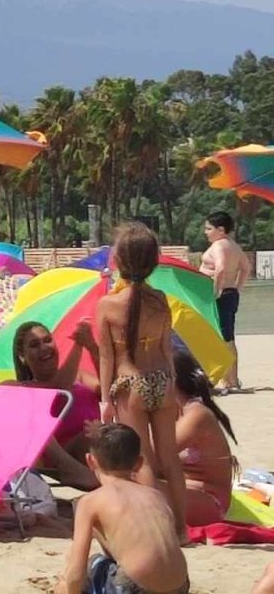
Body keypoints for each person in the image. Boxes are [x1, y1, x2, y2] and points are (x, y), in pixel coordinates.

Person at [94, 223, 187, 536]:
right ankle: (182, 528)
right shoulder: (160, 300)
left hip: (130, 384)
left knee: (142, 459)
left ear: (117, 260)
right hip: (161, 380)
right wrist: (173, 388)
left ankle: (157, 527)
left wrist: (105, 400)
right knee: (170, 459)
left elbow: (106, 357)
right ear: (154, 261)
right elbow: (166, 348)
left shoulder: (107, 305)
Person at [56, 423, 189, 594]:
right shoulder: (155, 496)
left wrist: (67, 589)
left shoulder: (91, 501)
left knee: (91, 566)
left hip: (134, 587)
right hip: (179, 585)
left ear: (90, 460)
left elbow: (76, 570)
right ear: (139, 463)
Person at [10, 321, 101, 490]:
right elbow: (59, 388)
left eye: (47, 340)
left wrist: (91, 346)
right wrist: (78, 345)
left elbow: (109, 389)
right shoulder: (21, 388)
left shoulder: (80, 377)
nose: (44, 348)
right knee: (89, 438)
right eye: (35, 345)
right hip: (65, 453)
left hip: (98, 440)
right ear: (22, 356)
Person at [170, 348, 237, 527]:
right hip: (188, 491)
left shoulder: (196, 414)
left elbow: (156, 455)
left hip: (211, 501)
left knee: (141, 488)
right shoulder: (172, 412)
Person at [199, 210, 250, 392]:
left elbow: (220, 268)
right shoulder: (234, 246)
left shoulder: (219, 246)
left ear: (220, 230)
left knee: (220, 337)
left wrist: (215, 291)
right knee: (228, 337)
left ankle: (223, 380)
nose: (205, 232)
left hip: (219, 296)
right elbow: (246, 268)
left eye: (208, 228)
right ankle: (232, 379)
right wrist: (237, 288)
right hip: (230, 294)